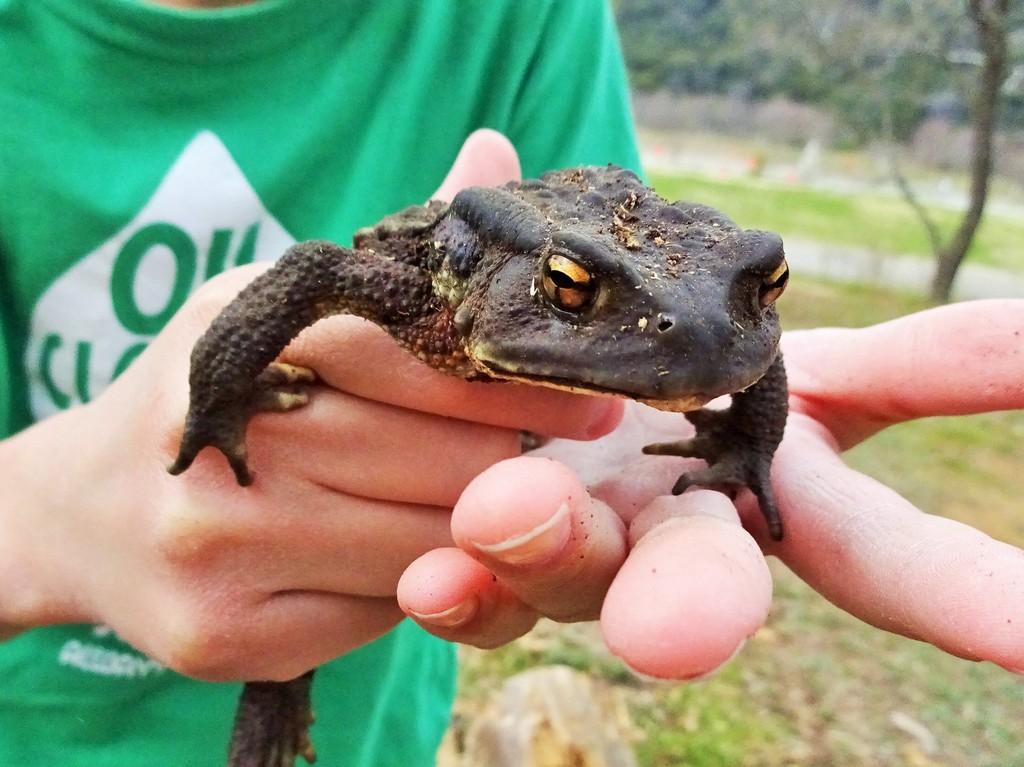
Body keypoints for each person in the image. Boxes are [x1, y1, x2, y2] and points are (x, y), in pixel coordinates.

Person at [2, 3, 1022, 767]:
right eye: (575, 290)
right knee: (286, 544)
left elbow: (724, 331)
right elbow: (315, 272)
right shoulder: (421, 297)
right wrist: (207, 405)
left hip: (391, 664)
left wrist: (745, 442)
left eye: (770, 283)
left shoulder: (529, 21)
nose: (728, 322)